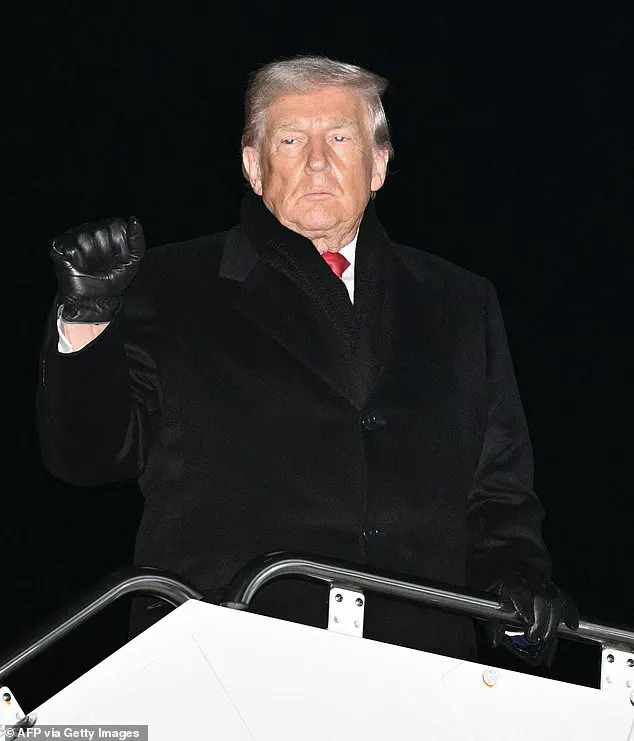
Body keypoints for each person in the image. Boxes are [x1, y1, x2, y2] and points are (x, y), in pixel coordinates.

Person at [36, 55, 578, 666]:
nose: (317, 161)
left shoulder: (460, 302)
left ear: (380, 163)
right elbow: (86, 456)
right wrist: (89, 317)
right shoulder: (169, 285)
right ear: (253, 166)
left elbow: (498, 492)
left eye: (340, 138)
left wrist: (515, 577)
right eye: (291, 140)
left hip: (420, 667)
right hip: (224, 659)